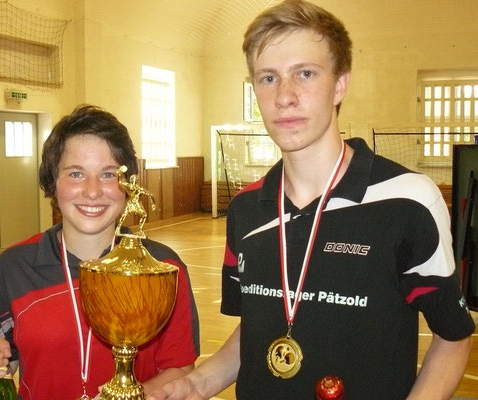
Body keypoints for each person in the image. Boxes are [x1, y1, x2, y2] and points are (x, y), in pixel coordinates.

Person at [147, 1, 475, 399]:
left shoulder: (408, 200)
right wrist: (196, 384)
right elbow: (255, 330)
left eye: (305, 73)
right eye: (268, 78)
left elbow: (453, 336)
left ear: (340, 84)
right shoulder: (246, 209)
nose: (285, 96)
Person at [0, 104, 200, 399]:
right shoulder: (13, 267)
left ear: (129, 185)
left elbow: (181, 370)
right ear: (52, 182)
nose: (93, 190)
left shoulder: (163, 267)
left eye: (109, 174)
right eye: (75, 173)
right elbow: (2, 360)